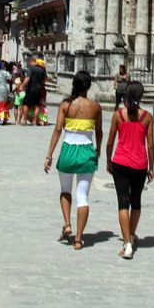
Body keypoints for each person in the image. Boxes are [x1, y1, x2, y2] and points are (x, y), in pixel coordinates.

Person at [44, 70, 102, 250]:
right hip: (86, 151)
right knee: (83, 197)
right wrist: (98, 149)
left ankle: (67, 223)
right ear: (89, 86)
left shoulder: (65, 105)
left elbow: (57, 130)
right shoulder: (96, 106)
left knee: (65, 190)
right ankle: (78, 239)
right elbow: (99, 132)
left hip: (68, 151)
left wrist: (49, 155)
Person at [106, 81, 154, 259]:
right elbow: (150, 145)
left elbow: (110, 141)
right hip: (140, 165)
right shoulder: (147, 117)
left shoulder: (118, 115)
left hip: (120, 163)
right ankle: (132, 235)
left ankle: (126, 243)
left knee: (122, 202)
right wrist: (152, 167)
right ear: (141, 96)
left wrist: (108, 161)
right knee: (136, 201)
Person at [21, 54, 46, 125]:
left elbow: (28, 78)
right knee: (36, 105)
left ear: (30, 62)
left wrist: (22, 85)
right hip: (39, 89)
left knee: (25, 104)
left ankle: (24, 120)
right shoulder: (42, 69)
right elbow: (43, 80)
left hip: (31, 89)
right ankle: (35, 121)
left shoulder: (31, 69)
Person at [27, 58, 50, 125]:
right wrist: (52, 81)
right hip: (41, 89)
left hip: (33, 89)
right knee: (40, 105)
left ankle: (33, 118)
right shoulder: (42, 71)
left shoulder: (33, 69)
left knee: (34, 105)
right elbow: (46, 79)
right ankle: (40, 119)